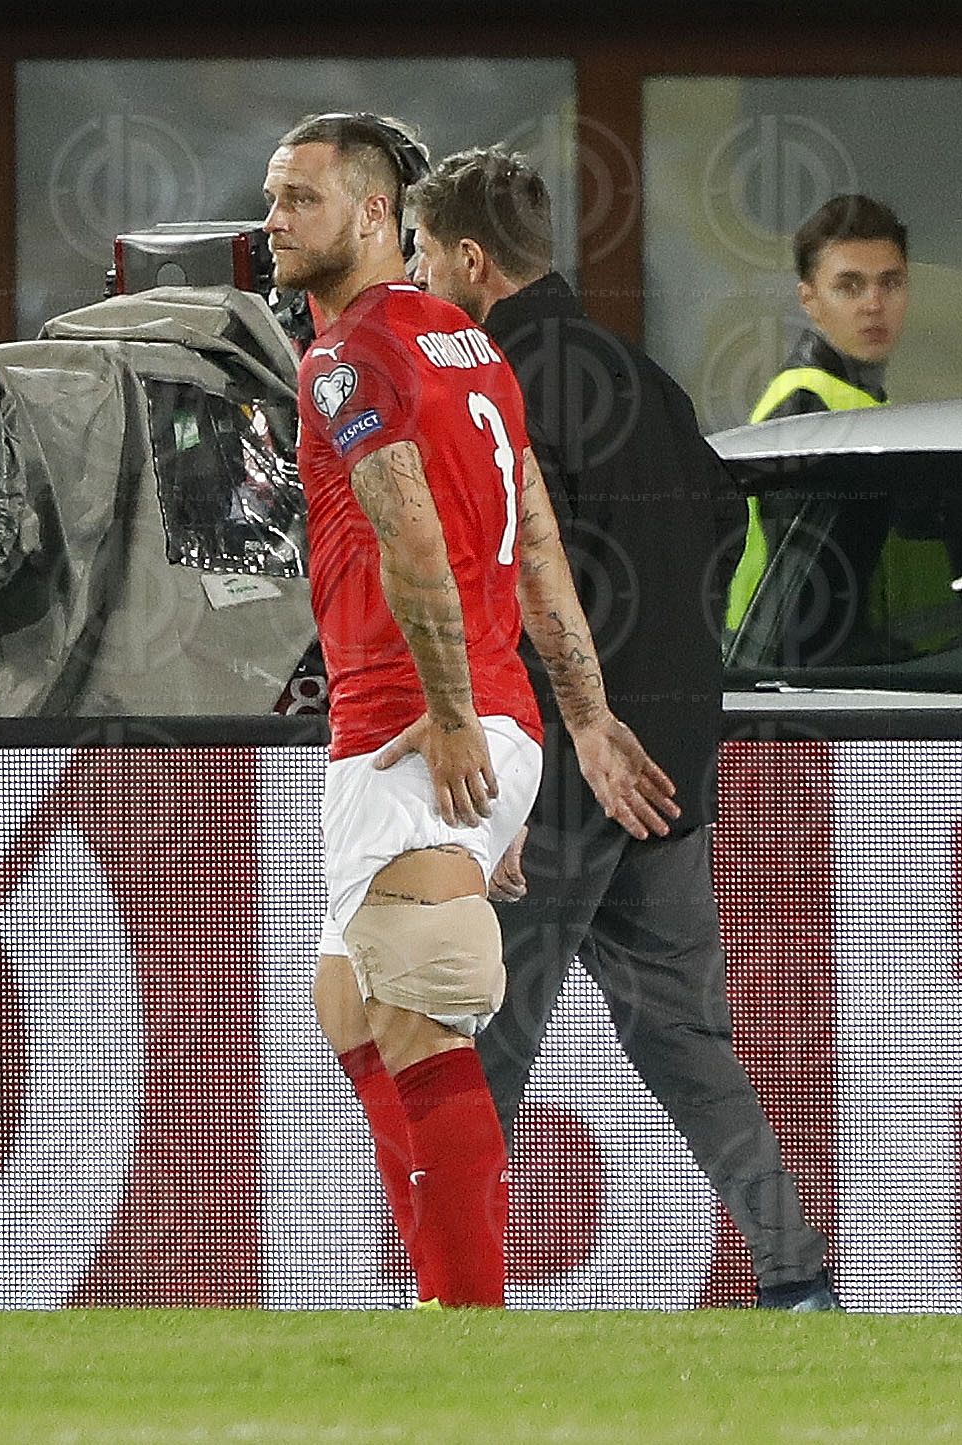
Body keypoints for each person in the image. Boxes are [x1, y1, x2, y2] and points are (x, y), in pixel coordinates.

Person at [408, 146, 839, 1309]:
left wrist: (558, 740)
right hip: (669, 775)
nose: (415, 277)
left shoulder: (494, 386)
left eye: (422, 254)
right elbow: (715, 525)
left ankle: (456, 1304)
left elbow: (520, 587)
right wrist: (667, 709)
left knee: (479, 1049)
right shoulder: (644, 377)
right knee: (690, 1048)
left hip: (561, 773)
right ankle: (798, 1277)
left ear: (472, 259)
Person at [262, 115, 677, 1308]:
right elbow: (538, 545)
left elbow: (414, 540)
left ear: (377, 216)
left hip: (417, 724)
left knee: (420, 1015)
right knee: (346, 996)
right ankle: (445, 1286)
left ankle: (468, 1316)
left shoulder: (345, 357)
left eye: (301, 198)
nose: (275, 219)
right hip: (477, 722)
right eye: (273, 196)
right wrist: (582, 723)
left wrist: (450, 722)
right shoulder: (469, 346)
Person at [727, 194, 909, 633]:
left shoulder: (857, 399)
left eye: (890, 282)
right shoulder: (805, 408)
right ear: (809, 300)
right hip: (793, 669)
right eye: (850, 285)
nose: (874, 303)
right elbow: (810, 585)